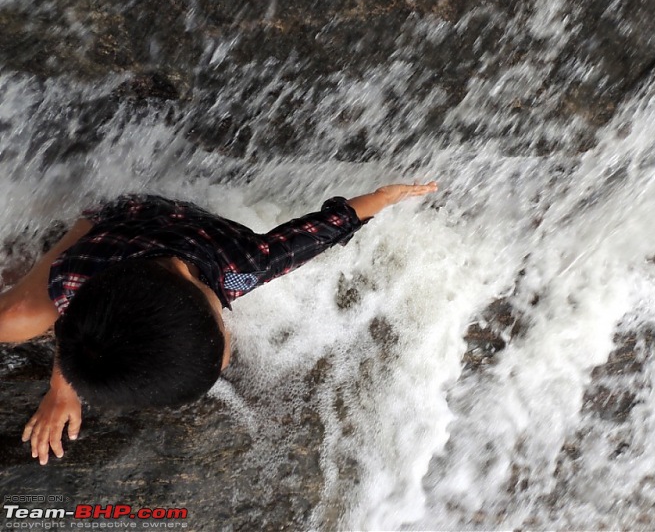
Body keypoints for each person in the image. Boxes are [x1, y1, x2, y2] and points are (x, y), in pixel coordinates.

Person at [0, 181, 438, 465]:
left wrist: (382, 199)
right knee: (15, 321)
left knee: (18, 320)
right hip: (116, 232)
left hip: (134, 210)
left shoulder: (243, 264)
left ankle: (43, 247)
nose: (226, 353)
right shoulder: (74, 279)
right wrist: (62, 388)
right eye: (219, 338)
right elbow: (76, 325)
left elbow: (316, 232)